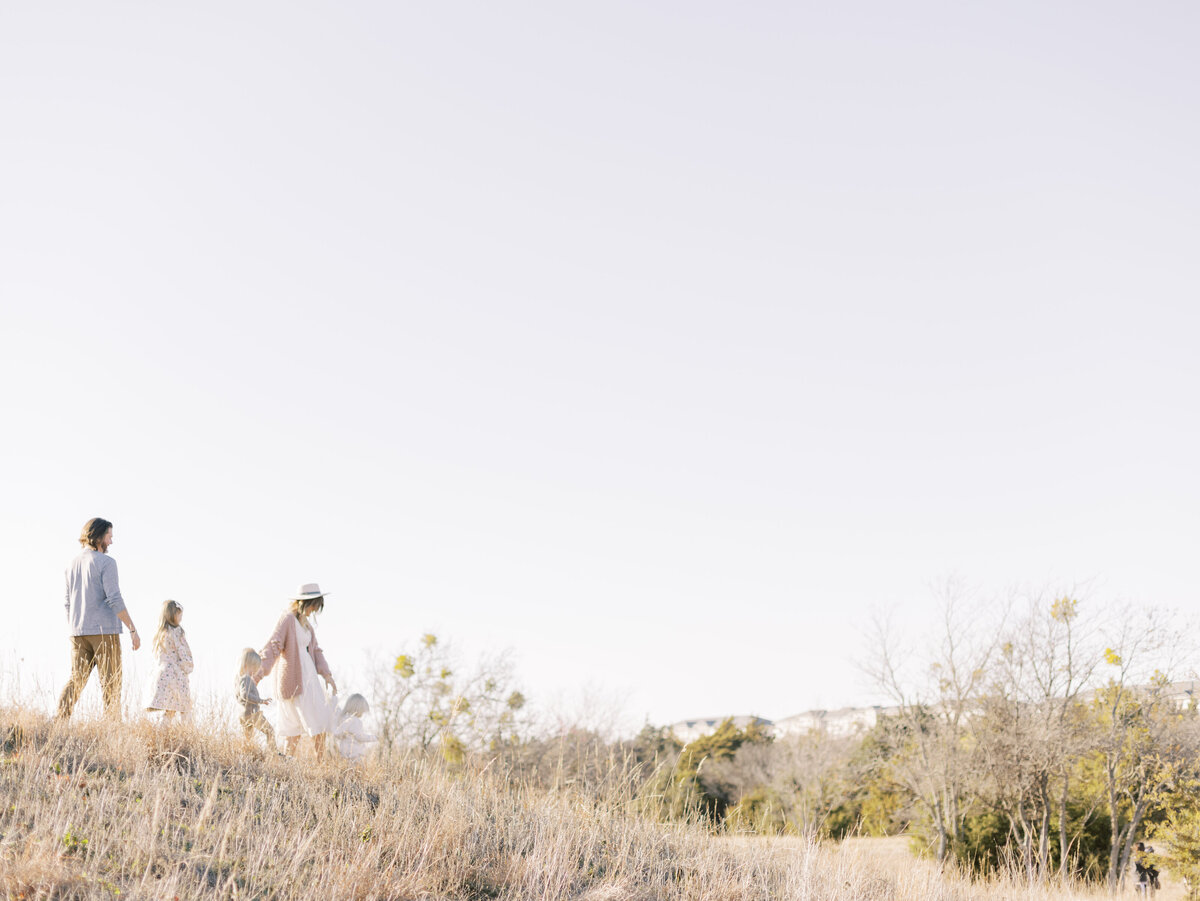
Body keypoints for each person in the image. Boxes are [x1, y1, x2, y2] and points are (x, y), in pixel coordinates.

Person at [57, 518, 141, 719]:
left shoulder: (71, 564)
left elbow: (67, 603)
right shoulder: (107, 563)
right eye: (109, 536)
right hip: (104, 632)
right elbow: (114, 598)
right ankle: (112, 729)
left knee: (75, 680)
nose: (111, 542)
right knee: (111, 683)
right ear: (98, 536)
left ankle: (59, 722)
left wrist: (75, 625)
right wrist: (132, 628)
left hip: (77, 632)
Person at [254, 583, 338, 758]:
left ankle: (320, 764)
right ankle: (288, 763)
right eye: (314, 605)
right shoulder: (287, 620)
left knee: (317, 720)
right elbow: (273, 645)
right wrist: (258, 673)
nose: (314, 610)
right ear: (304, 603)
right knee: (295, 725)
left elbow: (316, 651)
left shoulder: (307, 626)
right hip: (294, 678)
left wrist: (327, 675)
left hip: (309, 678)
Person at [144, 600, 194, 720]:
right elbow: (183, 652)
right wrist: (188, 666)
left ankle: (162, 734)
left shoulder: (160, 634)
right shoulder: (177, 632)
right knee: (184, 709)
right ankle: (187, 734)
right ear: (173, 615)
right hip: (176, 676)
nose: (181, 617)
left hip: (163, 675)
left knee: (169, 710)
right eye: (179, 614)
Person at [236, 648, 275, 745]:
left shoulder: (239, 679)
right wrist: (261, 701)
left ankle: (248, 756)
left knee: (248, 740)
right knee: (270, 731)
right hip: (252, 714)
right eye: (254, 667)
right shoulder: (246, 678)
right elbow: (245, 694)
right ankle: (273, 755)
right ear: (247, 665)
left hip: (243, 714)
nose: (255, 671)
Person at [333, 693, 378, 762]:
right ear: (358, 709)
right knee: (358, 771)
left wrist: (334, 696)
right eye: (362, 711)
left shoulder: (343, 718)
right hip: (355, 754)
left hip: (343, 753)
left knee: (346, 771)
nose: (362, 714)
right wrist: (374, 737)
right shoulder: (356, 721)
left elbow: (337, 733)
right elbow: (360, 737)